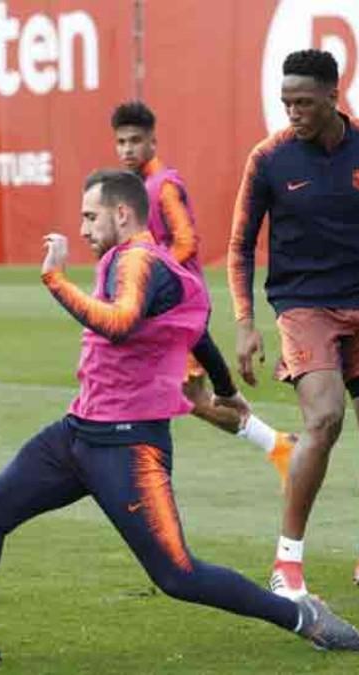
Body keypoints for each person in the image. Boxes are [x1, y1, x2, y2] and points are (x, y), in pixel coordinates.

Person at [0, 170, 359, 667]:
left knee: (178, 575)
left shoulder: (137, 260)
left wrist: (54, 278)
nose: (84, 228)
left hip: (129, 448)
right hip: (78, 434)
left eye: (90, 217)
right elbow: (196, 333)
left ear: (122, 214)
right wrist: (225, 390)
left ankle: (301, 616)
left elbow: (118, 325)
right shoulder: (141, 262)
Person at [228, 49, 359, 600]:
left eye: (304, 102)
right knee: (326, 418)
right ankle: (287, 563)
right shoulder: (268, 159)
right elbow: (240, 245)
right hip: (303, 305)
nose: (293, 111)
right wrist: (245, 322)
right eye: (286, 102)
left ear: (334, 96)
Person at [111, 101, 295, 482]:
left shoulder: (164, 186)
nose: (127, 149)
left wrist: (150, 273)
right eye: (121, 142)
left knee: (182, 397)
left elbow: (186, 242)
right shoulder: (138, 188)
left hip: (179, 307)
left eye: (135, 141)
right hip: (165, 309)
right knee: (174, 394)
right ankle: (277, 444)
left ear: (153, 142)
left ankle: (277, 444)